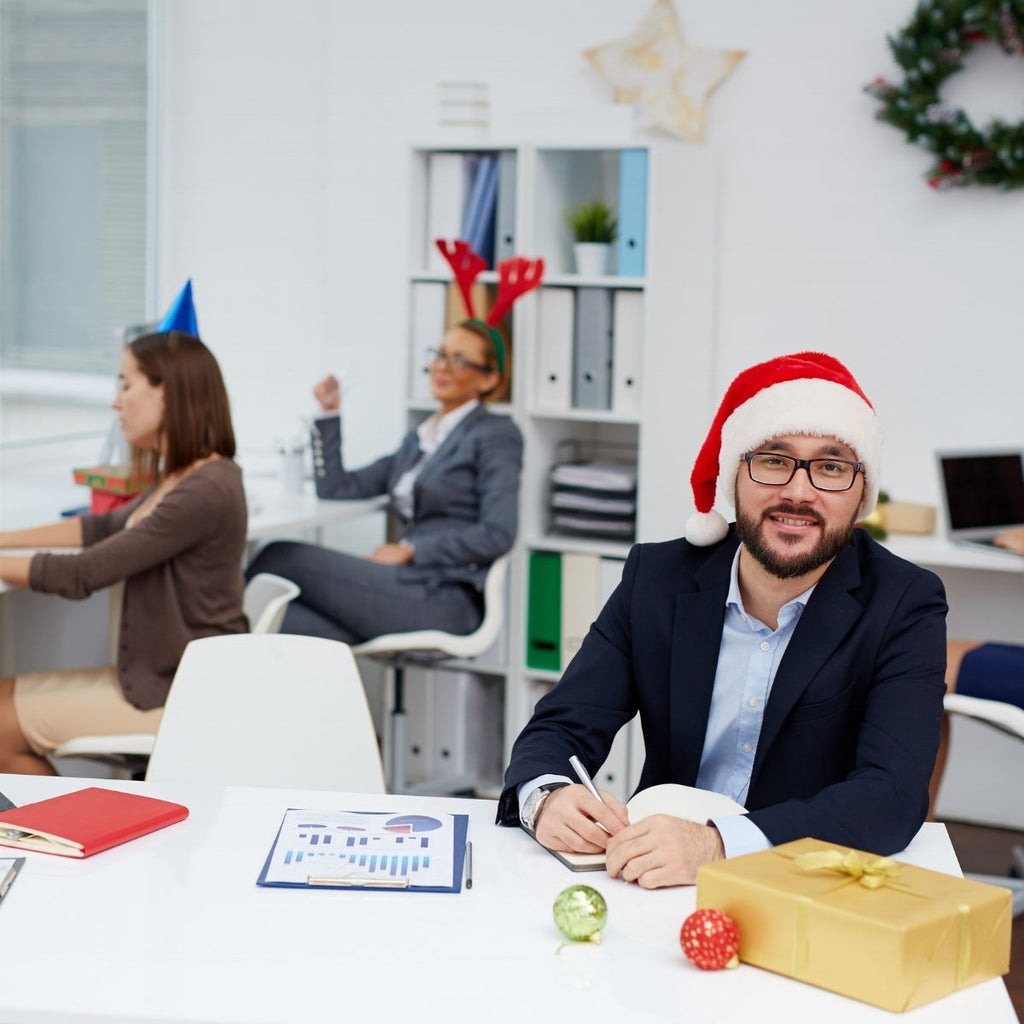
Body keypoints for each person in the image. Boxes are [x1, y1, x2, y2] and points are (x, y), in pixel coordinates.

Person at [498, 351, 947, 888]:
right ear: (733, 477)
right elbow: (563, 726)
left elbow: (891, 796)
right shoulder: (657, 578)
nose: (798, 492)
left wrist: (716, 845)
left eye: (831, 467)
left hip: (803, 889)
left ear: (861, 495)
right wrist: (546, 799)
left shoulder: (905, 602)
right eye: (774, 460)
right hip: (654, 883)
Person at [0, 330, 247, 775]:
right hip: (163, 679)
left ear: (167, 394)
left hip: (178, 694)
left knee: (0, 729)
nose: (117, 402)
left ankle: (67, 842)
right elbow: (100, 527)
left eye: (126, 384)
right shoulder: (184, 476)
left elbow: (83, 574)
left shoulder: (205, 489)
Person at [246, 319, 522, 643]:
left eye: (459, 360)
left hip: (445, 596)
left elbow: (498, 533)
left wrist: (412, 550)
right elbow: (338, 487)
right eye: (439, 354)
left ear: (489, 379)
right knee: (277, 621)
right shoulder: (421, 440)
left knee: (278, 557)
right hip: (406, 585)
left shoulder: (494, 434)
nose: (442, 367)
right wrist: (329, 414)